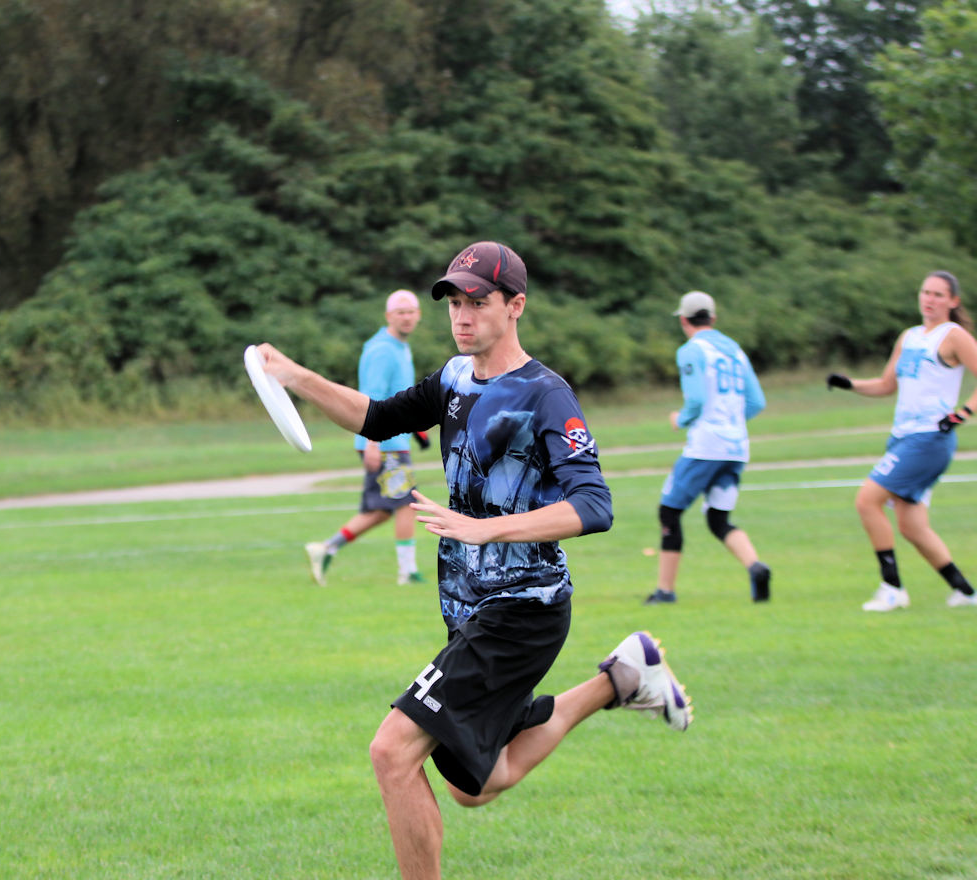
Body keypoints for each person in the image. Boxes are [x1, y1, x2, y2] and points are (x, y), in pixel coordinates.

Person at [256, 241, 692, 880]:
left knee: (392, 751)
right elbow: (377, 418)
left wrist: (487, 530)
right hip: (469, 606)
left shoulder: (546, 394)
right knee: (478, 782)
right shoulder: (455, 378)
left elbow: (594, 504)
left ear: (515, 306)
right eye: (454, 303)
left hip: (523, 608)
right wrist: (294, 376)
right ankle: (624, 675)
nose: (462, 316)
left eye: (478, 302)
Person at [826, 270, 977, 611]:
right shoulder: (908, 337)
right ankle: (965, 592)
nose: (929, 299)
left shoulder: (953, 336)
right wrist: (849, 384)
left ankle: (892, 588)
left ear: (953, 301)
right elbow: (886, 385)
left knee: (867, 501)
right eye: (925, 292)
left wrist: (962, 414)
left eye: (938, 294)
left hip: (929, 439)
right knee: (912, 526)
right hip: (902, 437)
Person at [645, 290, 771, 605]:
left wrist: (680, 419)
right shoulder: (735, 350)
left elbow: (697, 399)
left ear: (683, 320)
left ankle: (665, 591)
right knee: (718, 519)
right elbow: (757, 401)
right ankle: (755, 567)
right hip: (737, 446)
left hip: (706, 446)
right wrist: (731, 422)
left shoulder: (691, 350)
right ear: (713, 318)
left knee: (669, 512)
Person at [305, 289, 430, 586]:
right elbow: (371, 399)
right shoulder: (382, 350)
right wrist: (373, 442)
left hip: (392, 439)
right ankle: (408, 572)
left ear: (419, 315)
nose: (406, 317)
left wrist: (417, 428)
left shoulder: (400, 347)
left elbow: (397, 396)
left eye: (410, 311)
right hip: (385, 443)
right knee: (407, 503)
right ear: (388, 316)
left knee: (381, 510)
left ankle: (326, 548)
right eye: (400, 312)